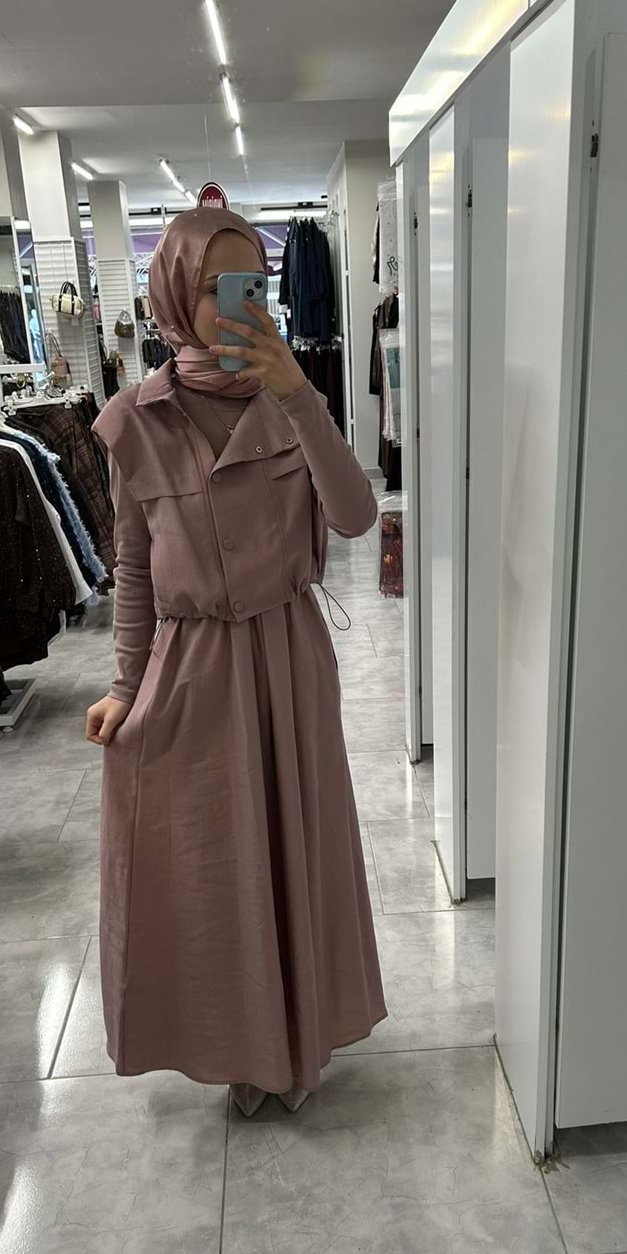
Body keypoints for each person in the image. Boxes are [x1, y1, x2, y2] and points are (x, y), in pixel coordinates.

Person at [85, 207, 386, 1117]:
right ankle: (241, 1050)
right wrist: (125, 686)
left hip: (289, 658)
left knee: (297, 850)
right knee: (214, 866)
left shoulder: (292, 402)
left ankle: (298, 1044)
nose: (234, 303)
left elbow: (355, 517)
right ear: (177, 294)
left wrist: (300, 397)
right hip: (193, 668)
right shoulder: (132, 423)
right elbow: (133, 565)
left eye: (248, 282)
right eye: (213, 286)